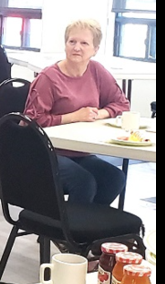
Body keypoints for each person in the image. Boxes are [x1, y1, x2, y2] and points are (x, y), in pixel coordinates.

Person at [23, 19, 130, 205]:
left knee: (115, 178)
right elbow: (31, 120)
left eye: (84, 43)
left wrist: (99, 113)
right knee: (84, 182)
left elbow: (121, 103)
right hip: (44, 152)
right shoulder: (49, 77)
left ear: (95, 49)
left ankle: (90, 228)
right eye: (72, 42)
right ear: (65, 44)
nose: (77, 48)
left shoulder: (96, 71)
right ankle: (68, 231)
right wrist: (74, 116)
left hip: (80, 151)